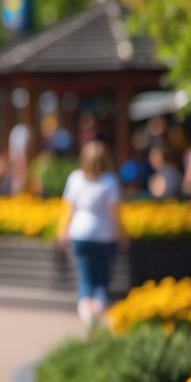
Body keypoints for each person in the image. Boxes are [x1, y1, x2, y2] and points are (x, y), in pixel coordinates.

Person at [56, 140, 127, 333]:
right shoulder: (110, 182)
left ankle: (89, 322)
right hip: (104, 236)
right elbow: (114, 214)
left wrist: (62, 230)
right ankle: (95, 320)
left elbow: (68, 209)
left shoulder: (75, 178)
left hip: (79, 233)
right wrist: (122, 235)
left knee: (85, 281)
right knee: (102, 282)